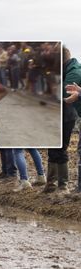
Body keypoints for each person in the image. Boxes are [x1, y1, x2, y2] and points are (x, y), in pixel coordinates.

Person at [57, 46, 81, 193]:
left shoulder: (74, 72)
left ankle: (77, 188)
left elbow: (63, 93)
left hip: (69, 115)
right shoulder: (69, 69)